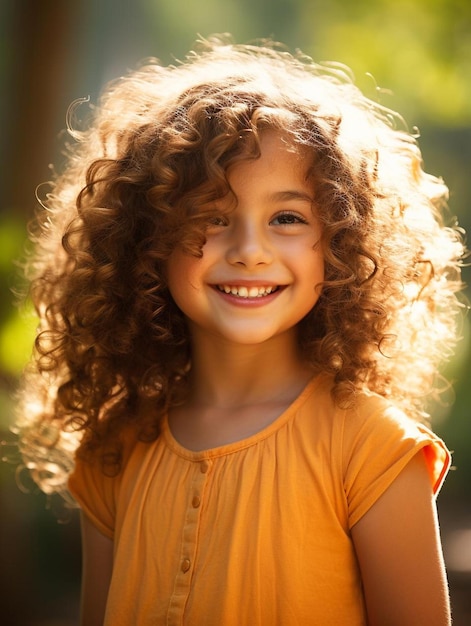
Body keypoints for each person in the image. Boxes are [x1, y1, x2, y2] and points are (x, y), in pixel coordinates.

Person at [14, 35, 466, 625]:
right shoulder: (115, 450)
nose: (249, 251)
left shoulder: (371, 448)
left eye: (287, 218)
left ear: (342, 241)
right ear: (146, 239)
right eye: (211, 217)